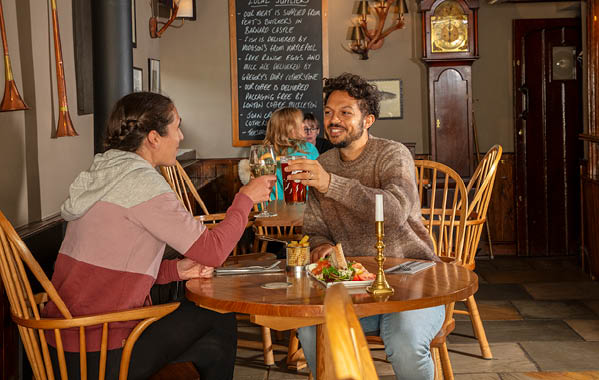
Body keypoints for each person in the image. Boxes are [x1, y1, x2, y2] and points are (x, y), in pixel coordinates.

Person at [42, 92, 276, 380]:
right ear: (154, 137)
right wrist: (244, 199)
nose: (179, 136)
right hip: (102, 351)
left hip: (61, 346)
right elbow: (213, 252)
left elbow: (113, 268)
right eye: (176, 127)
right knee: (218, 318)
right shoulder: (141, 184)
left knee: (210, 343)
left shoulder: (104, 173)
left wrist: (176, 269)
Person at [285, 73, 444, 380]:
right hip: (353, 289)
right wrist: (322, 247)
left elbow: (395, 211)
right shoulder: (324, 163)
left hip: (413, 283)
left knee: (404, 340)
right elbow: (314, 229)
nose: (334, 120)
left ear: (368, 119)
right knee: (311, 329)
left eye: (346, 112)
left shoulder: (392, 154)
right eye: (329, 112)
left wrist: (330, 184)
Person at [263, 107, 319, 200]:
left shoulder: (265, 152)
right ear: (291, 128)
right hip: (303, 207)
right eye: (301, 122)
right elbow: (318, 179)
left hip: (270, 208)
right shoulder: (308, 148)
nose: (304, 125)